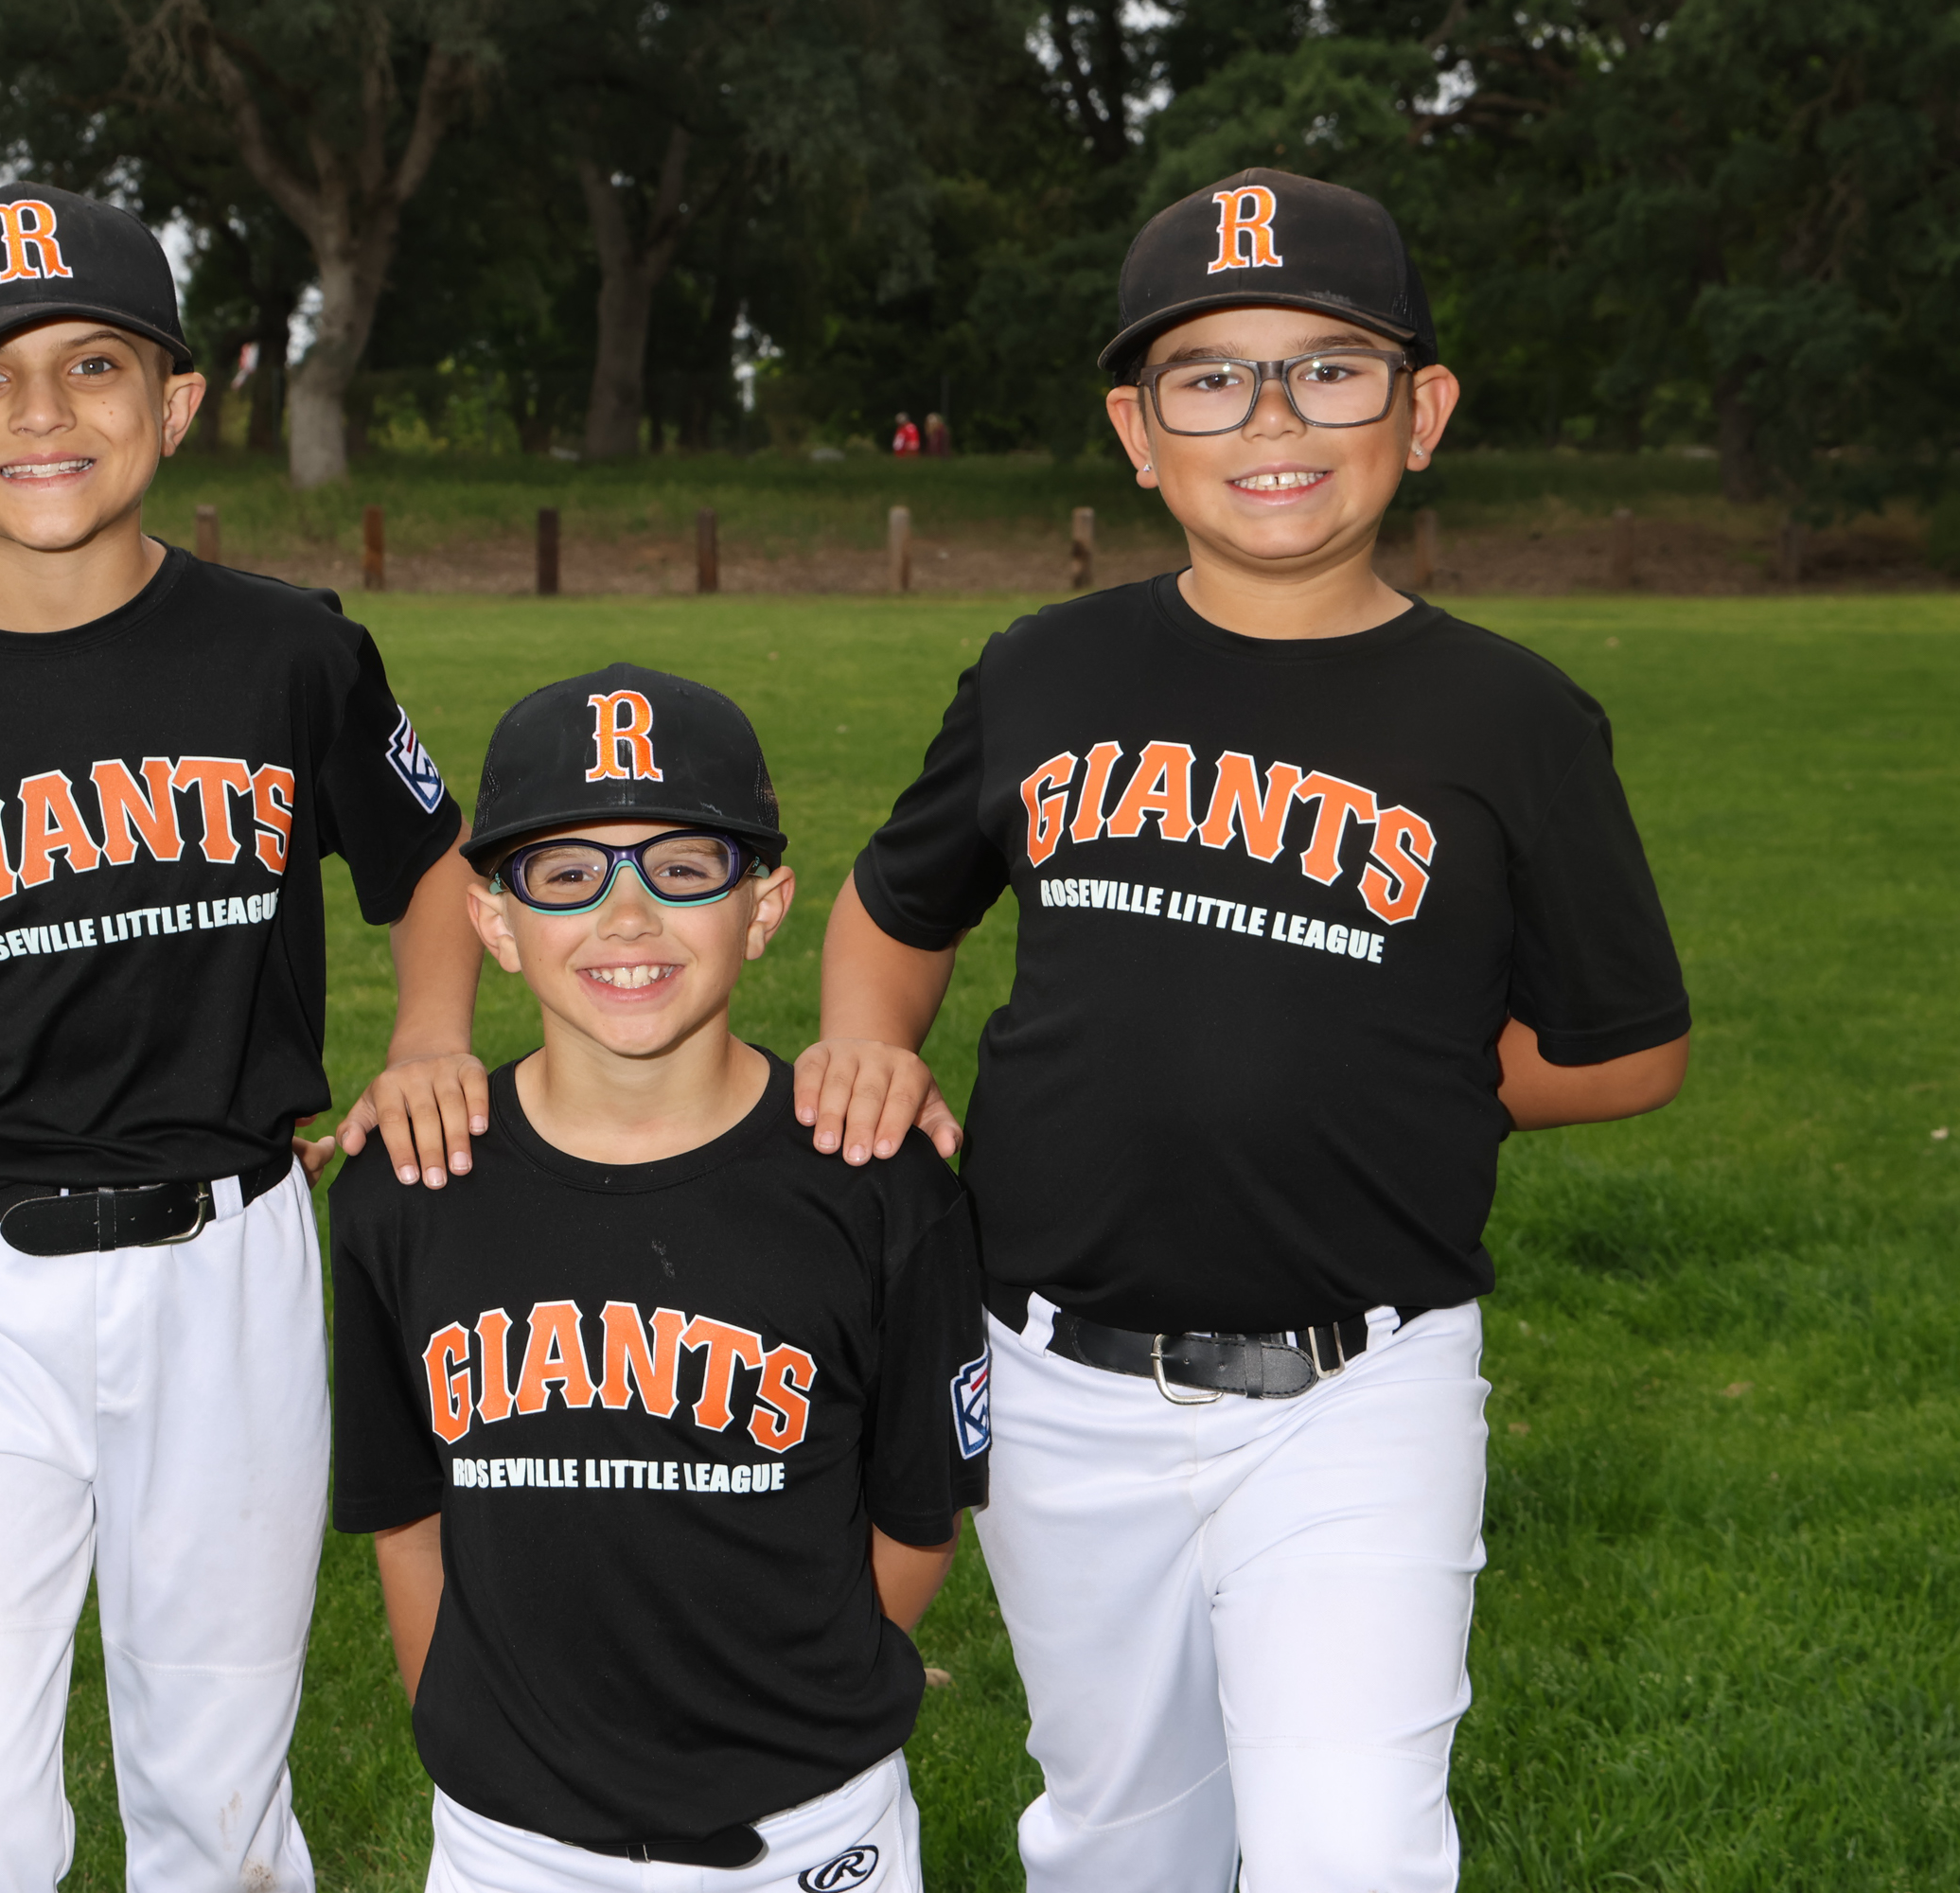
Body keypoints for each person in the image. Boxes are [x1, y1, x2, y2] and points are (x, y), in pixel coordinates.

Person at [794, 168, 1691, 1891]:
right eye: (1210, 377)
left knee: (1348, 1848)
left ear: (1422, 411)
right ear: (1138, 434)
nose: (1272, 419)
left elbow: (1629, 1044)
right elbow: (898, 908)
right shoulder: (1045, 670)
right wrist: (869, 1041)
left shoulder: (1512, 718)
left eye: (1329, 369)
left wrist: (1415, 1078)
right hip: (1054, 1373)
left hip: (1360, 1385)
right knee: (1121, 1840)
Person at [0, 180, 486, 1893]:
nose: (41, 412)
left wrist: (429, 1038)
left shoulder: (289, 653)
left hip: (228, 1260)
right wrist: (23, 1085)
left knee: (215, 1799)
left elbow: (429, 861)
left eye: (93, 363)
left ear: (176, 402)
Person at [328, 664, 992, 1892]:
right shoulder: (409, 1186)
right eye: (565, 874)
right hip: (508, 1842)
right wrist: (483, 1747)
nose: (626, 917)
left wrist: (786, 1713)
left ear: (764, 908)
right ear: (493, 924)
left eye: (684, 868)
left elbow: (915, 1523)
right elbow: (404, 1516)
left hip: (806, 1831)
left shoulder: (875, 1183)